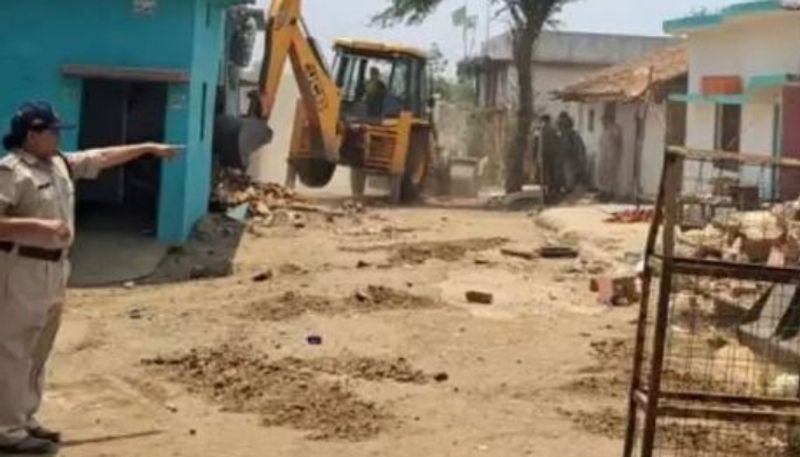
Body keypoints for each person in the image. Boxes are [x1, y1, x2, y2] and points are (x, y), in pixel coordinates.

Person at [0, 101, 180, 455]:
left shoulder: (60, 164)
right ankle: (7, 428)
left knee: (39, 349)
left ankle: (26, 417)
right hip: (21, 269)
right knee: (13, 350)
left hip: (55, 269)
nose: (57, 137)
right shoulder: (12, 172)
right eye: (51, 131)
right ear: (32, 135)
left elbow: (103, 156)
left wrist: (147, 148)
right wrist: (35, 226)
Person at [557, 112, 587, 193]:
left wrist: (581, 162)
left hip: (572, 161)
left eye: (562, 125)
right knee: (566, 179)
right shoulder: (562, 136)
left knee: (570, 180)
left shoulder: (573, 136)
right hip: (565, 161)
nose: (560, 127)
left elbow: (580, 149)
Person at [598, 111, 623, 200]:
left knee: (611, 175)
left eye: (604, 120)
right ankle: (604, 191)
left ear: (609, 120)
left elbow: (618, 143)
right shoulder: (606, 130)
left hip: (612, 156)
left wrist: (617, 156)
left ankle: (610, 193)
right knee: (603, 175)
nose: (603, 122)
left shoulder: (615, 129)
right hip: (604, 156)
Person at [537, 114, 563, 196]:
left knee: (544, 171)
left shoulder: (541, 130)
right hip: (552, 153)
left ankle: (545, 188)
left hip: (544, 153)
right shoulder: (554, 129)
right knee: (551, 171)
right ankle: (551, 188)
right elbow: (559, 139)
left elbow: (536, 142)